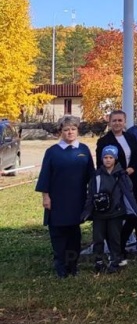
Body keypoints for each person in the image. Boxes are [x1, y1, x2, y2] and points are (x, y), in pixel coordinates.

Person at [35, 115, 95, 278]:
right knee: (59, 235)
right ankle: (60, 267)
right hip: (57, 200)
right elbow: (45, 176)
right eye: (66, 129)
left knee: (74, 235)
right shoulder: (52, 152)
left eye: (73, 129)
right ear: (60, 131)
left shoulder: (83, 150)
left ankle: (73, 266)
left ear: (77, 130)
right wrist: (45, 197)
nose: (70, 132)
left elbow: (92, 174)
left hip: (77, 199)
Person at [82, 145, 137, 274]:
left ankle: (115, 260)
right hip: (99, 213)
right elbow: (90, 193)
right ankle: (99, 261)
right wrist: (88, 210)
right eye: (105, 157)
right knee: (98, 238)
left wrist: (128, 208)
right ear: (101, 159)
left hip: (116, 213)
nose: (108, 160)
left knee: (114, 238)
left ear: (115, 159)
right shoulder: (96, 175)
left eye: (110, 157)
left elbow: (128, 191)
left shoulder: (121, 175)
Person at [97, 109, 137, 259]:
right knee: (116, 216)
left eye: (120, 120)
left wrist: (133, 168)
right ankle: (116, 250)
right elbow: (101, 164)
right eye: (114, 120)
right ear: (110, 122)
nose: (117, 123)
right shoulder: (103, 141)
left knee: (134, 214)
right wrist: (118, 172)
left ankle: (122, 244)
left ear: (125, 122)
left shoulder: (131, 137)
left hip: (132, 181)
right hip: (114, 183)